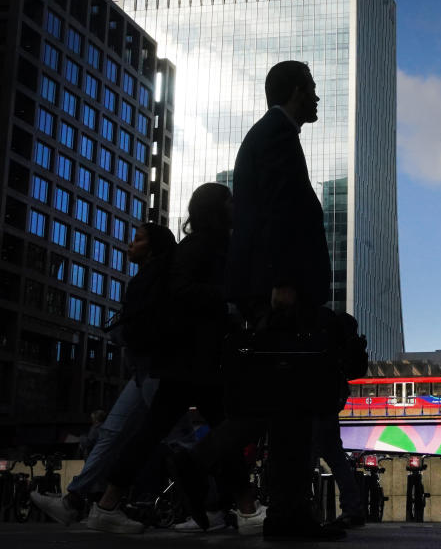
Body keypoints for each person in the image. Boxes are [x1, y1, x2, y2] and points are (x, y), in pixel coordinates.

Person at [86, 183, 257, 534]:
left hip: (190, 360)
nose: (235, 207)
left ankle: (108, 503)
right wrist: (226, 301)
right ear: (215, 209)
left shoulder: (209, 247)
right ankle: (246, 509)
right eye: (229, 202)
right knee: (222, 431)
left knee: (159, 432)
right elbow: (183, 292)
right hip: (195, 359)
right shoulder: (199, 248)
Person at [225, 60, 343, 541]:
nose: (317, 97)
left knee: (287, 408)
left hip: (277, 287)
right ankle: (289, 513)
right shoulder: (276, 133)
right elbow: (279, 210)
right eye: (312, 88)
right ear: (296, 91)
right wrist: (284, 279)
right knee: (290, 407)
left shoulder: (275, 133)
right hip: (281, 292)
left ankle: (290, 512)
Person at [30, 223, 176, 525]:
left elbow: (151, 325)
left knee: (179, 439)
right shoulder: (149, 278)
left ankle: (220, 504)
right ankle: (74, 499)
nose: (129, 245)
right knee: (113, 432)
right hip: (143, 370)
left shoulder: (159, 278)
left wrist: (127, 334)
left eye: (138, 239)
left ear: (153, 246)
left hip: (156, 368)